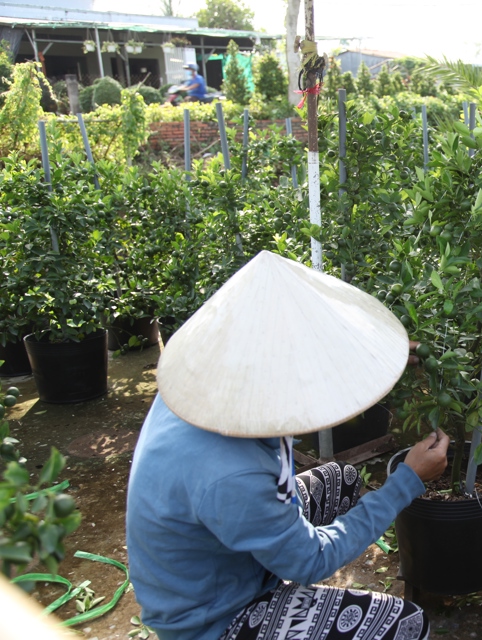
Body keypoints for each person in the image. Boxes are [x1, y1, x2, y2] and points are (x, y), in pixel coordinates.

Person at [126, 251, 450, 640]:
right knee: (405, 624)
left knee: (343, 479)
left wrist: (375, 358)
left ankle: (274, 570)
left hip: (222, 552)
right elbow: (311, 561)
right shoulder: (232, 474)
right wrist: (407, 480)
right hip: (212, 616)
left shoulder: (209, 389)